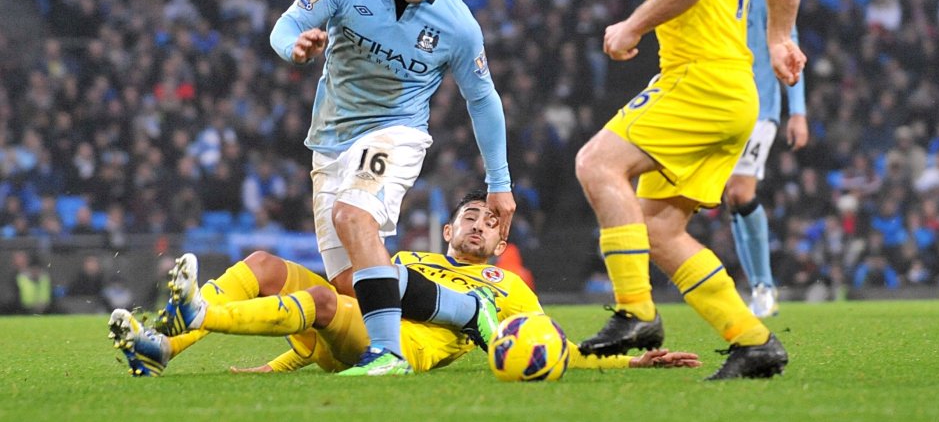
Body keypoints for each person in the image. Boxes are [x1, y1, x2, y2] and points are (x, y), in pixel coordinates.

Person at [574, 0, 805, 380]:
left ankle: (635, 312)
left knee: (597, 164)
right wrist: (777, 40)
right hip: (734, 92)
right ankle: (754, 342)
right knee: (658, 229)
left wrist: (632, 25)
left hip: (698, 81)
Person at [268, 0, 516, 375]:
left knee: (353, 213)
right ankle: (467, 311)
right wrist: (293, 46)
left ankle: (388, 354)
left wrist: (499, 182)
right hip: (330, 140)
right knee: (351, 281)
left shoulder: (458, 25)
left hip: (395, 132)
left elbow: (482, 100)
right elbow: (287, 24)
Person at [108, 191, 700, 376]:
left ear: (500, 242)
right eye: (470, 214)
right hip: (359, 314)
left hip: (404, 348)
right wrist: (275, 370)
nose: (479, 221)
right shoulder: (411, 257)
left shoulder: (508, 283)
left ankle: (200, 315)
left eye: (490, 220)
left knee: (323, 298)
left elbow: (547, 344)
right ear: (447, 229)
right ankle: (162, 348)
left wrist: (628, 365)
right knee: (263, 263)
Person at [725, 0, 808, 318]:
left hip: (760, 106)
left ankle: (765, 287)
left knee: (741, 192)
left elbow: (789, 43)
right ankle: (758, 286)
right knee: (731, 198)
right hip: (724, 107)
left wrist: (798, 111)